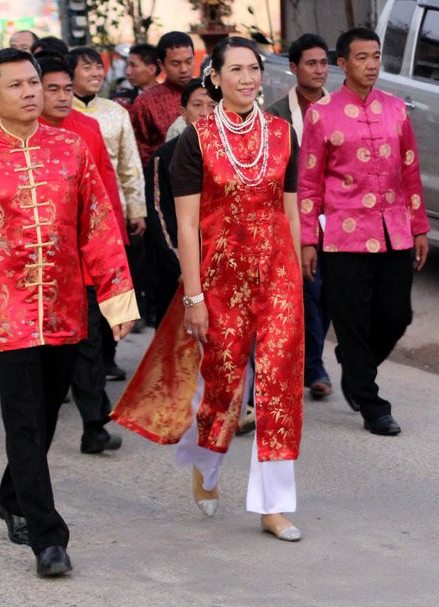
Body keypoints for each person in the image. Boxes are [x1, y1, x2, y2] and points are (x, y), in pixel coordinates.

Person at [0, 48, 137, 578]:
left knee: (45, 417)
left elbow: (98, 227)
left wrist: (117, 301)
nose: (29, 93)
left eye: (34, 83)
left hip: (67, 302)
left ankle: (10, 496)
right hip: (6, 308)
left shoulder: (71, 149)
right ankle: (49, 537)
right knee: (23, 420)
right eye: (17, 85)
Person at [113, 37, 304, 541]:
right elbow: (188, 225)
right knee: (222, 385)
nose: (248, 78)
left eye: (254, 69)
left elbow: (290, 210)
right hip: (220, 282)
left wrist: (300, 271)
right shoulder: (194, 142)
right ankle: (206, 465)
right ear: (214, 79)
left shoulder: (283, 134)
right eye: (235, 70)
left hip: (278, 276)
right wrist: (194, 296)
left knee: (280, 386)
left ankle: (273, 506)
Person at [299, 27, 429, 437]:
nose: (371, 64)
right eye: (361, 57)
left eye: (376, 56)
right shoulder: (321, 115)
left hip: (395, 231)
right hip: (343, 236)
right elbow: (309, 183)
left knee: (397, 315)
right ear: (343, 64)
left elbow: (410, 170)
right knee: (352, 322)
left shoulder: (395, 109)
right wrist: (307, 238)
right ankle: (373, 405)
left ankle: (355, 368)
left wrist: (420, 227)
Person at [37, 53, 127, 455]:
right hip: (35, 265)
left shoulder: (86, 129)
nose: (60, 97)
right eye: (50, 89)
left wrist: (114, 245)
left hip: (82, 261)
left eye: (66, 89)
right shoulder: (19, 133)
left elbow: (106, 192)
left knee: (89, 342)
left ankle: (95, 424)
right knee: (48, 352)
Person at [70, 45, 145, 381]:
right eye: (87, 68)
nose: (96, 74)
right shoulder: (58, 113)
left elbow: (130, 165)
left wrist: (136, 210)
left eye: (98, 68)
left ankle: (108, 356)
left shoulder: (116, 112)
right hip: (73, 214)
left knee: (111, 286)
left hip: (111, 211)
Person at [267, 33, 333, 399]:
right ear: (294, 68)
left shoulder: (341, 109)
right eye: (311, 63)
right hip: (296, 216)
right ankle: (315, 367)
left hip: (341, 217)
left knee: (333, 294)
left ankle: (316, 356)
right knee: (310, 288)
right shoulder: (276, 114)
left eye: (324, 63)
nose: (319, 70)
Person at [144, 78, 216, 326]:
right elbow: (159, 214)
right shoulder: (164, 157)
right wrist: (180, 266)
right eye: (197, 105)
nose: (205, 113)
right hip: (176, 265)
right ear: (183, 111)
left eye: (213, 105)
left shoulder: (233, 153)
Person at [130, 31, 196, 166]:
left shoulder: (208, 93)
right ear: (161, 65)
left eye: (188, 61)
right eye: (176, 63)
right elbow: (139, 151)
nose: (184, 69)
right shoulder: (146, 102)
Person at [112, 42, 160, 108]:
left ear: (151, 69)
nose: (127, 72)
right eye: (127, 65)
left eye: (133, 65)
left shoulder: (168, 99)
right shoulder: (119, 100)